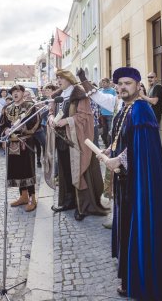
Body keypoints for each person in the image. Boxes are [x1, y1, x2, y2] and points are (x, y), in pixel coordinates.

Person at [77, 67, 162, 299]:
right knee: (126, 227)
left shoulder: (142, 109)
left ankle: (143, 279)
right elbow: (123, 139)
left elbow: (143, 150)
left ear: (138, 85)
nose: (122, 87)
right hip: (126, 180)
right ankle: (129, 274)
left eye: (127, 83)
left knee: (138, 226)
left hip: (140, 184)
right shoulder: (125, 107)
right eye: (119, 84)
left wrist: (119, 160)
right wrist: (109, 150)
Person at [47, 69, 107, 221]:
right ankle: (69, 202)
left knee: (79, 171)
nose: (58, 81)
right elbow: (51, 111)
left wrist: (66, 121)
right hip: (61, 139)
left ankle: (84, 206)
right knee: (66, 171)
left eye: (61, 78)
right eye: (57, 78)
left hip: (77, 140)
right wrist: (51, 118)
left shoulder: (79, 94)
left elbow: (85, 116)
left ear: (69, 78)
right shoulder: (57, 96)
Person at [0, 84, 40, 212]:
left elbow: (35, 123)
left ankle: (32, 198)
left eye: (18, 91)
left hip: (25, 142)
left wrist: (23, 128)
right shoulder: (7, 108)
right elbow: (3, 123)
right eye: (13, 92)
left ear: (23, 93)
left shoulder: (30, 106)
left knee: (27, 170)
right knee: (16, 170)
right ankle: (23, 196)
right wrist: (5, 130)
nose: (15, 94)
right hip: (12, 143)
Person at [99, 78, 116, 148]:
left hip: (110, 114)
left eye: (104, 82)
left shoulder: (113, 91)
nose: (103, 84)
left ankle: (110, 145)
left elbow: (115, 101)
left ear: (108, 83)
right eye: (102, 82)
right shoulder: (100, 91)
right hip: (102, 114)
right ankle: (106, 143)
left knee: (110, 130)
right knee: (104, 131)